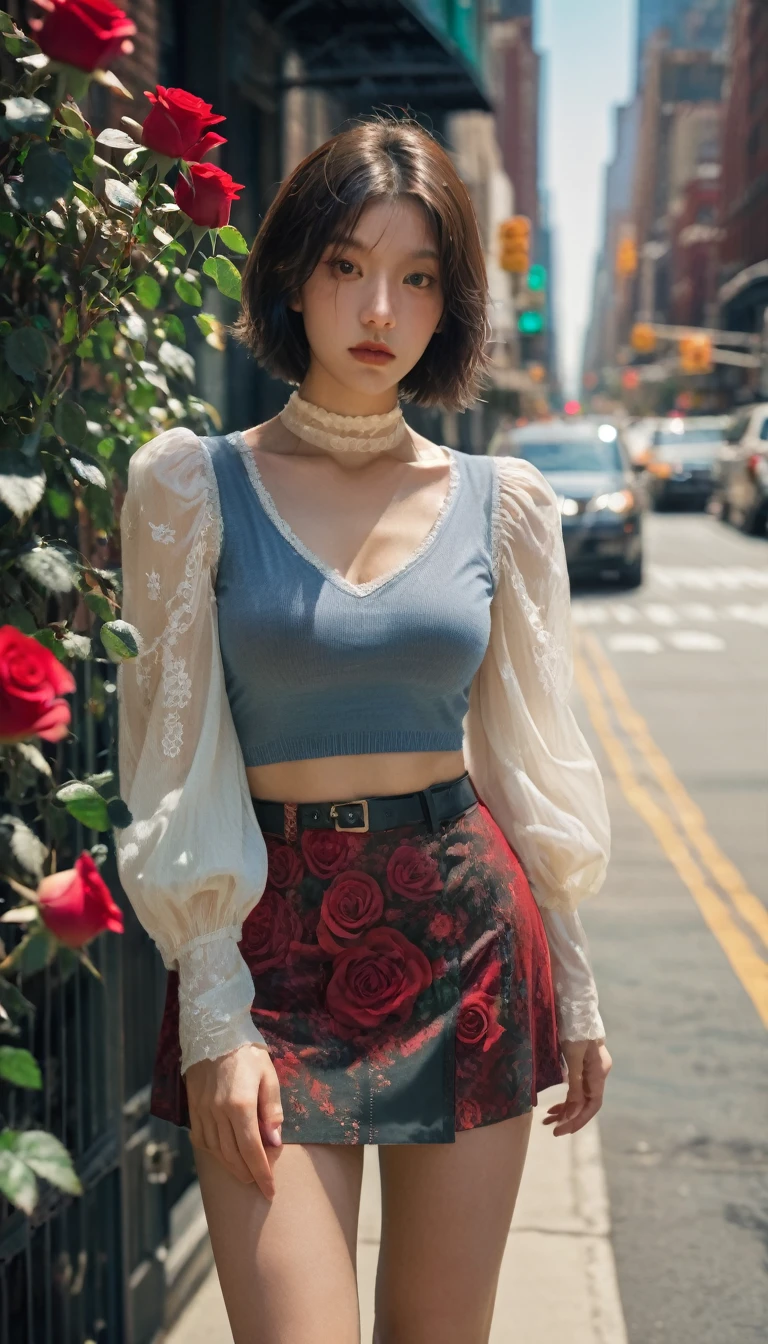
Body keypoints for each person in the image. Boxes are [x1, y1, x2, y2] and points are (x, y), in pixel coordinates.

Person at [116, 119, 612, 1344]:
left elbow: (527, 758)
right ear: (293, 277)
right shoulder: (190, 486)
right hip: (268, 941)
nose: (379, 306)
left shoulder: (507, 506)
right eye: (346, 264)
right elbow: (168, 762)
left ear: (451, 305)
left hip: (467, 935)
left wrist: (581, 984)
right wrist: (215, 1007)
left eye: (418, 275)